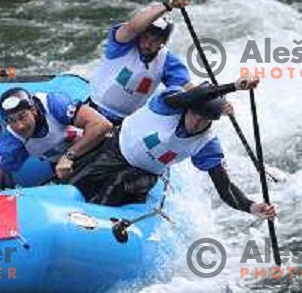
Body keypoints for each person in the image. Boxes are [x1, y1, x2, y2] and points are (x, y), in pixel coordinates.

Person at [69, 75, 277, 221]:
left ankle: (90, 225)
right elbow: (193, 96)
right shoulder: (168, 104)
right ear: (188, 108)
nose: (196, 122)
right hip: (112, 150)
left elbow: (226, 188)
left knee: (119, 183)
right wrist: (234, 86)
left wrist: (251, 206)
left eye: (204, 119)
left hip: (142, 174)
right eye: (195, 114)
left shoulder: (207, 144)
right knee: (73, 183)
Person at [0, 87, 113, 192]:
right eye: (11, 120)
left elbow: (102, 125)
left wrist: (70, 155)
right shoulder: (11, 140)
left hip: (99, 147)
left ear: (33, 110)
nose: (20, 126)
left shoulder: (53, 105)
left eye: (23, 116)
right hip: (65, 169)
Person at [88, 0, 194, 126]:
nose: (148, 44)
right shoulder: (123, 42)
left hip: (123, 124)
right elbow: (133, 27)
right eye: (146, 37)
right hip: (92, 110)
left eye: (155, 40)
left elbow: (186, 88)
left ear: (163, 42)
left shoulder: (167, 61)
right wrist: (169, 5)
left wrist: (211, 100)